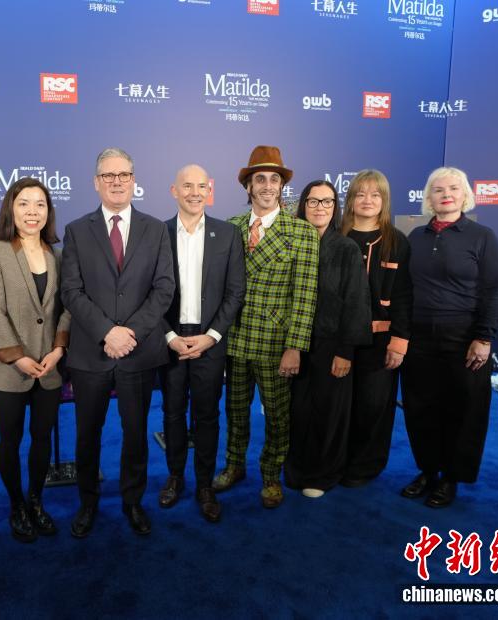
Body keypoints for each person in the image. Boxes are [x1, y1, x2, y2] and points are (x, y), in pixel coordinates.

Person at [60, 147, 175, 537]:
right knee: (87, 435)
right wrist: (107, 332)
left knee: (136, 434)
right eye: (108, 176)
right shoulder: (77, 230)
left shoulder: (155, 229)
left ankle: (132, 501)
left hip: (138, 353)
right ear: (96, 182)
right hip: (91, 353)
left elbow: (163, 289)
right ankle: (88, 502)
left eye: (123, 174)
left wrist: (130, 333)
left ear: (134, 180)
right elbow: (71, 291)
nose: (116, 182)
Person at [213, 145, 319, 509]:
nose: (268, 186)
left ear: (282, 186)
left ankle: (271, 474)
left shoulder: (302, 232)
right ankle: (234, 465)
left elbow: (305, 295)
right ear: (248, 186)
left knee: (277, 415)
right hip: (234, 339)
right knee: (235, 411)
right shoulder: (229, 227)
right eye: (260, 179)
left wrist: (295, 347)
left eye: (275, 179)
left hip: (276, 343)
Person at [401, 166, 498, 508]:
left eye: (454, 189)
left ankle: (451, 477)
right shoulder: (415, 237)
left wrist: (484, 338)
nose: (446, 194)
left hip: (464, 340)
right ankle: (428, 471)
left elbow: (493, 290)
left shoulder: (482, 236)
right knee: (420, 409)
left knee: (463, 411)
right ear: (428, 198)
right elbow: (404, 290)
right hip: (419, 340)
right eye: (439, 189)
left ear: (465, 196)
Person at [0, 177, 70, 542]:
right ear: (11, 209)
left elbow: (67, 307)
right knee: (10, 439)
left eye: (40, 204)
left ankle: (36, 501)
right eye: (24, 204)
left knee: (42, 438)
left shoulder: (58, 255)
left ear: (48, 211)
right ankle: (16, 505)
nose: (32, 212)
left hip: (49, 366)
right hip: (10, 369)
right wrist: (16, 356)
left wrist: (59, 349)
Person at [158, 164, 245, 522]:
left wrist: (211, 337)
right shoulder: (157, 233)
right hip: (171, 338)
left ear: (209, 191)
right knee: (172, 412)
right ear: (173, 191)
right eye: (187, 186)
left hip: (211, 338)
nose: (195, 192)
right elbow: (148, 292)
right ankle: (175, 477)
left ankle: (205, 484)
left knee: (207, 415)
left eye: (201, 186)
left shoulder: (228, 233)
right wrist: (169, 336)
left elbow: (235, 292)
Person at [284, 181, 371, 498]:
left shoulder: (346, 249)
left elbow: (356, 301)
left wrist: (345, 351)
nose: (319, 207)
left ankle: (321, 475)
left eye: (327, 201)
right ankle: (295, 470)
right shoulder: (290, 243)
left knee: (328, 413)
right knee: (297, 411)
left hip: (331, 346)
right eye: (313, 201)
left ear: (335, 207)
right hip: (293, 344)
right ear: (303, 205)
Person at [340, 169, 412, 488]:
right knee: (339, 405)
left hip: (380, 340)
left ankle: (364, 467)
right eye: (360, 194)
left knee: (373, 406)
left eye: (375, 194)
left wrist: (399, 341)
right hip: (338, 339)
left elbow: (405, 295)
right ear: (350, 200)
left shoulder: (397, 241)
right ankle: (335, 461)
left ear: (385, 201)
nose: (367, 200)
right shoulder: (335, 236)